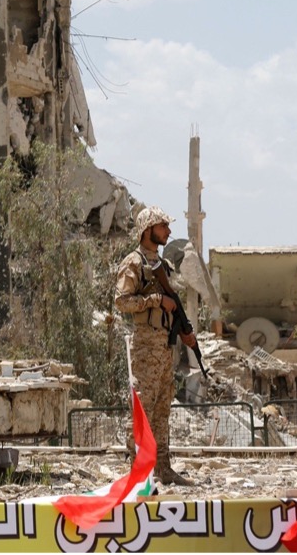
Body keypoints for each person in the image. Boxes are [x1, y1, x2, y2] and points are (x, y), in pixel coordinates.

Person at [115, 205, 196, 485]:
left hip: (164, 344)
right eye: (163, 226)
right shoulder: (134, 262)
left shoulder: (160, 264)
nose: (169, 231)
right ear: (148, 230)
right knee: (143, 406)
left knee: (162, 407)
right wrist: (155, 301)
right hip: (146, 344)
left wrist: (182, 330)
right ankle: (138, 472)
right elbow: (122, 302)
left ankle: (163, 467)